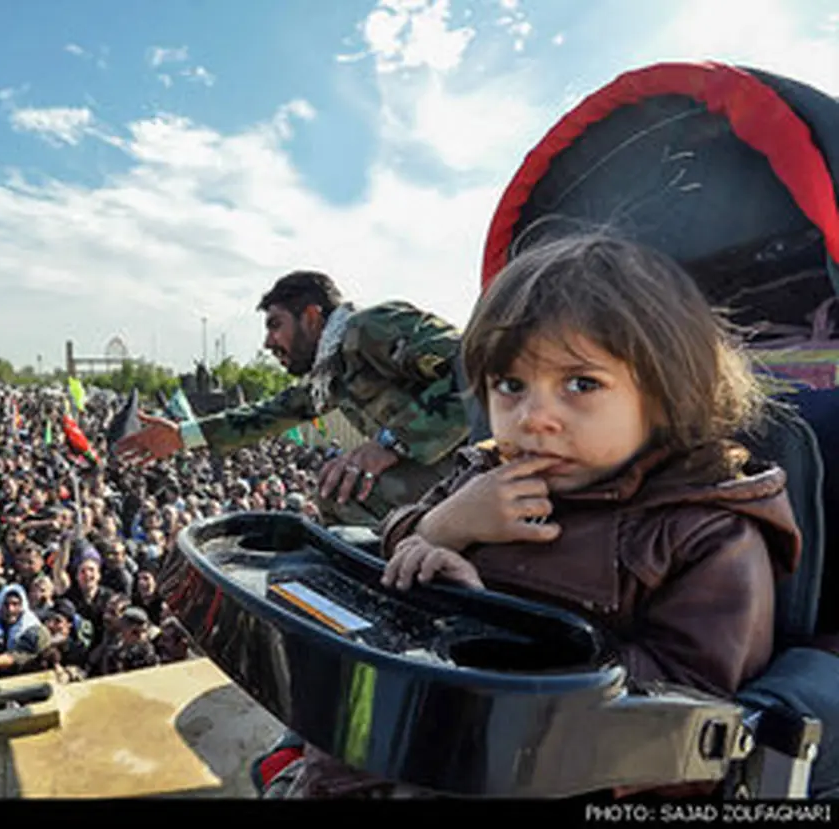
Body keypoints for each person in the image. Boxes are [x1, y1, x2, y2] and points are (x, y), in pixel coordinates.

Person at [260, 233, 802, 799]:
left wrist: (498, 635)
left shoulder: (705, 530)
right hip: (404, 735)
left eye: (581, 384)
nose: (533, 417)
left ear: (669, 394)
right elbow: (391, 551)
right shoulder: (486, 473)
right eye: (510, 385)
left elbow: (685, 724)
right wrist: (441, 528)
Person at [115, 271, 470, 526]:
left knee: (351, 496)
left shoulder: (371, 327)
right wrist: (182, 436)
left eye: (275, 325)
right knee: (336, 494)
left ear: (312, 317)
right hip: (447, 474)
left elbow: (473, 363)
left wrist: (392, 443)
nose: (268, 343)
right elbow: (270, 414)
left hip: (480, 467)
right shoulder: (330, 373)